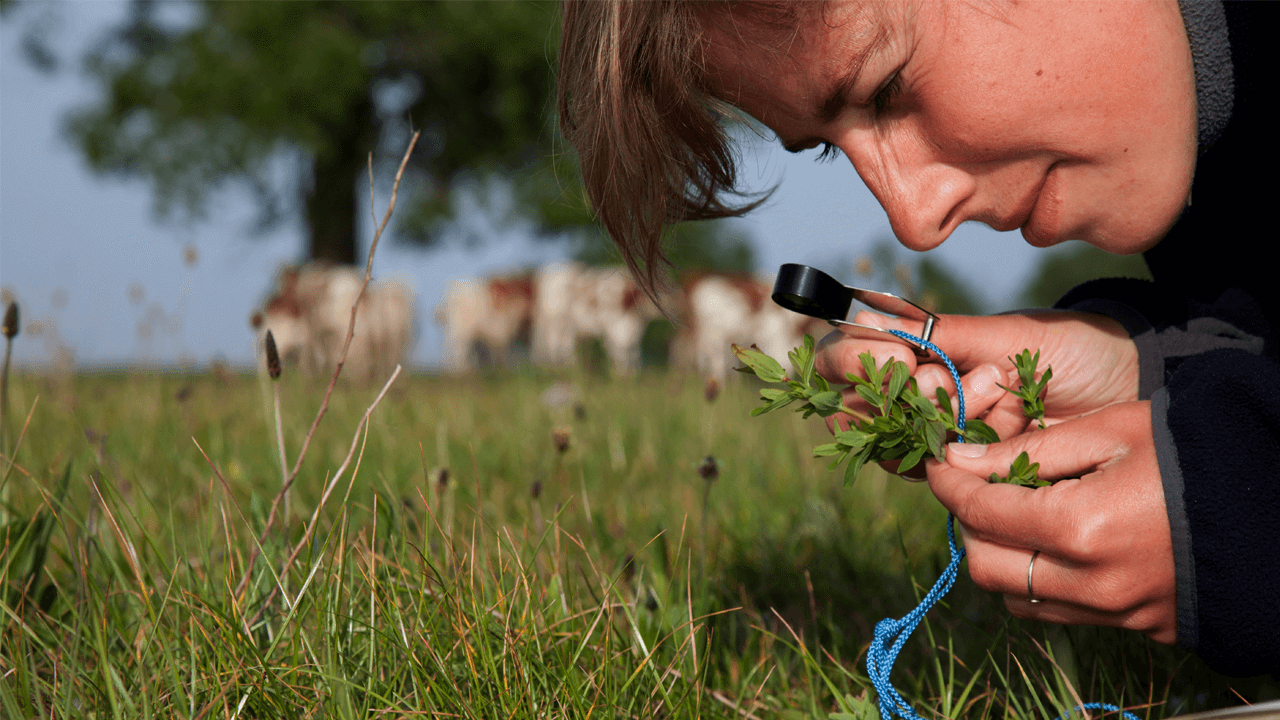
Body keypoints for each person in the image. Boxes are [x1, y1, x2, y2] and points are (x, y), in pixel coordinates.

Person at [557, 0, 1278, 677]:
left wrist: (1247, 520)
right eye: (830, 150)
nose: (914, 218)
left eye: (886, 85)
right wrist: (1150, 371)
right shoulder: (1214, 171)